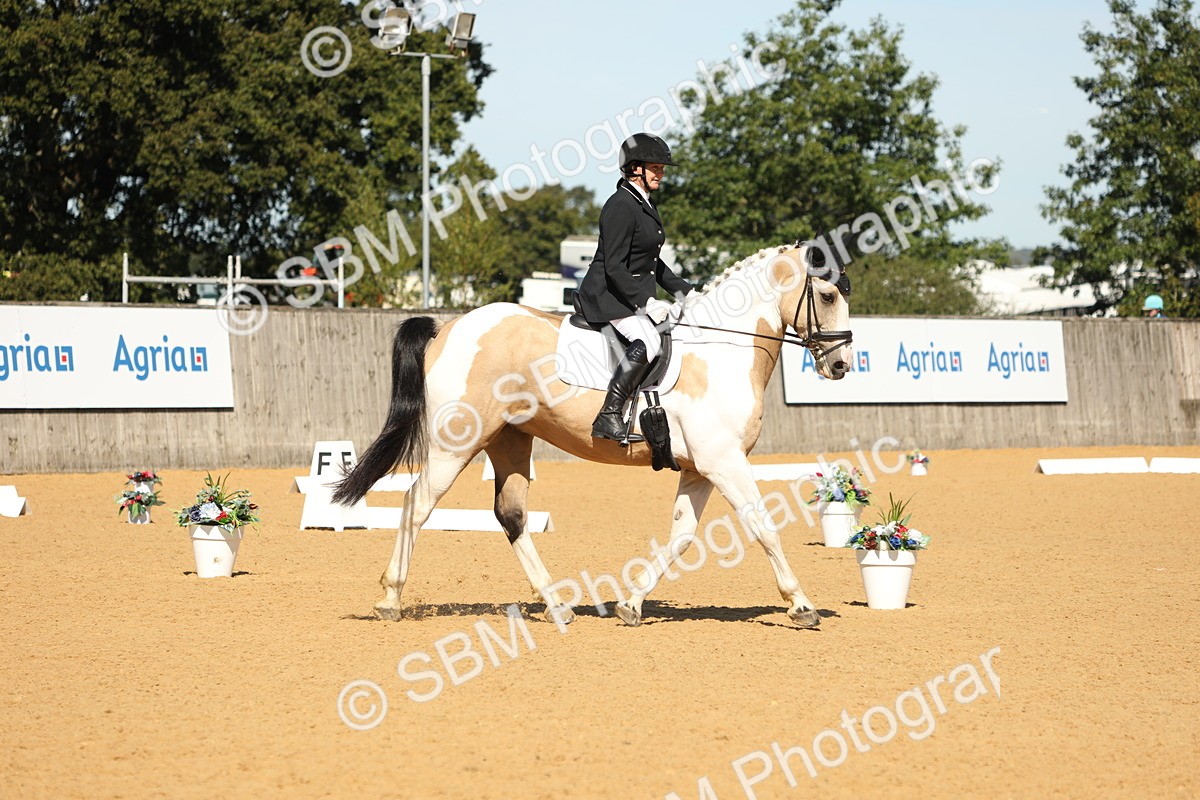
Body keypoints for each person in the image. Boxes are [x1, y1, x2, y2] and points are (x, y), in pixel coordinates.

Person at [576, 132, 693, 442]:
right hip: (605, 294)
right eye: (656, 168)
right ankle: (609, 414)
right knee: (648, 339)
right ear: (635, 168)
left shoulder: (643, 204)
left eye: (662, 168)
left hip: (626, 293)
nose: (662, 174)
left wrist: (685, 290)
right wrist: (646, 302)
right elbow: (615, 265)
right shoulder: (621, 205)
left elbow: (651, 263)